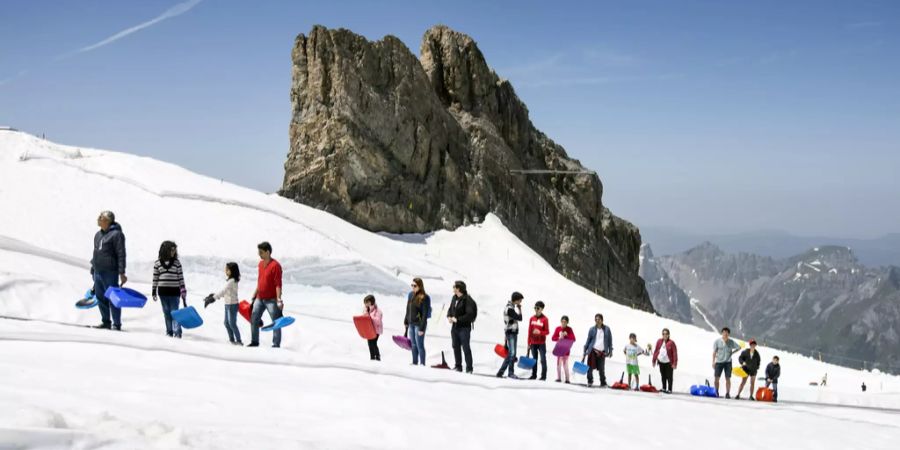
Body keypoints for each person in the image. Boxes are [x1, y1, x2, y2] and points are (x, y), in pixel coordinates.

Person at [90, 210, 127, 330]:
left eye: (101, 217)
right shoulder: (98, 234)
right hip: (98, 271)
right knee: (100, 297)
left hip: (110, 271)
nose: (98, 218)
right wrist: (93, 267)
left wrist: (122, 272)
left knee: (113, 297)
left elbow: (121, 253)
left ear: (107, 220)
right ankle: (106, 321)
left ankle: (117, 324)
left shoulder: (117, 234)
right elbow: (97, 251)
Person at [248, 242, 284, 348]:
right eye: (259, 252)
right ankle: (255, 342)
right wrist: (255, 294)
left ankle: (276, 344)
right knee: (254, 318)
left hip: (271, 300)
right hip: (260, 298)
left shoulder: (276, 266)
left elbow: (278, 284)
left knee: (276, 321)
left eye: (261, 252)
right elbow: (260, 281)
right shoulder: (260, 264)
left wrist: (278, 299)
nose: (259, 254)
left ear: (268, 252)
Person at [151, 241, 187, 338]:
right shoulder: (157, 263)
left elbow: (180, 277)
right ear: (165, 250)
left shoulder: (177, 263)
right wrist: (154, 290)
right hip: (163, 293)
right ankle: (169, 331)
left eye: (175, 250)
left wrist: (183, 289)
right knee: (166, 312)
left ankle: (177, 332)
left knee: (175, 312)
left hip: (174, 292)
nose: (173, 252)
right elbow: (155, 278)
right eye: (171, 250)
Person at [204, 262, 242, 345]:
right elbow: (225, 292)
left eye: (227, 270)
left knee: (232, 323)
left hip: (232, 305)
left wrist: (212, 298)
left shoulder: (231, 281)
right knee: (226, 323)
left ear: (232, 271)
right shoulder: (230, 280)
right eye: (226, 269)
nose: (225, 271)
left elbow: (223, 291)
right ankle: (232, 340)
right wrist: (213, 295)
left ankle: (239, 341)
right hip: (227, 304)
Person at [447, 280, 477, 373]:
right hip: (455, 327)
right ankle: (458, 366)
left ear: (458, 288)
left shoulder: (468, 300)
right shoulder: (454, 298)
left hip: (464, 328)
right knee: (455, 346)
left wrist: (458, 319)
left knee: (465, 347)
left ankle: (469, 368)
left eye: (454, 287)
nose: (453, 288)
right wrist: (449, 316)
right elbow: (450, 309)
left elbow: (470, 314)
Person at [497, 292, 524, 378]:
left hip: (511, 332)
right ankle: (510, 373)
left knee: (511, 354)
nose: (520, 302)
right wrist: (520, 310)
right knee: (512, 353)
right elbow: (520, 318)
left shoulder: (510, 307)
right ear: (516, 299)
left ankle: (501, 372)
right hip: (511, 332)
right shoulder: (510, 308)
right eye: (520, 300)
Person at [404, 278, 430, 365]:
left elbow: (425, 314)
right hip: (411, 323)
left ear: (420, 286)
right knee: (413, 344)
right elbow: (408, 309)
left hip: (419, 325)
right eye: (412, 285)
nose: (413, 287)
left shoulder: (424, 297)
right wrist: (406, 320)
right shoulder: (410, 295)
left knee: (420, 345)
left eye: (415, 286)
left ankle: (422, 363)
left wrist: (422, 329)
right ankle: (414, 362)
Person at [582, 313, 612, 387]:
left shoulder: (607, 329)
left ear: (602, 320)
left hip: (602, 352)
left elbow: (610, 341)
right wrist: (585, 350)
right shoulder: (592, 329)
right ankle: (590, 381)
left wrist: (610, 351)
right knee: (589, 367)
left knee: (601, 369)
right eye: (596, 319)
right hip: (592, 350)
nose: (597, 321)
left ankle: (603, 382)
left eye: (599, 319)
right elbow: (588, 340)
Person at [712, 327, 742, 398]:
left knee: (728, 378)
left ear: (728, 334)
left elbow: (739, 347)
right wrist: (713, 362)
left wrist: (732, 353)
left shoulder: (731, 342)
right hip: (719, 362)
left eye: (727, 333)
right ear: (722, 333)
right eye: (724, 332)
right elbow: (714, 352)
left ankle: (727, 393)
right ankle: (716, 391)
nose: (725, 334)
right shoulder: (717, 341)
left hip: (728, 362)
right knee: (716, 378)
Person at [527, 301, 550, 381]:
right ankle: (534, 375)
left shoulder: (545, 319)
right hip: (533, 343)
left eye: (538, 308)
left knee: (543, 360)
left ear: (542, 309)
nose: (536, 309)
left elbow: (547, 332)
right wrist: (528, 343)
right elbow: (529, 331)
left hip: (541, 343)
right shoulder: (531, 318)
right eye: (535, 308)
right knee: (534, 359)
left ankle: (543, 376)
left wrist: (540, 332)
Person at [652, 328, 678, 393]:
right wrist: (654, 360)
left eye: (666, 334)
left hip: (669, 362)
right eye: (663, 334)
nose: (665, 335)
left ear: (668, 335)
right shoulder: (659, 341)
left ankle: (669, 389)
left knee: (669, 376)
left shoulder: (671, 343)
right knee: (663, 375)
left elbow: (675, 353)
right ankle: (664, 388)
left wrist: (675, 363)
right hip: (661, 362)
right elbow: (656, 351)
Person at [551, 316, 575, 383]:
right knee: (558, 364)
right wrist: (558, 338)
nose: (563, 323)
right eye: (562, 321)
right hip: (559, 348)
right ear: (561, 321)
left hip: (566, 349)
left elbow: (573, 339)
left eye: (565, 322)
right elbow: (553, 338)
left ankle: (567, 379)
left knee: (565, 364)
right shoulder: (558, 328)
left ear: (567, 322)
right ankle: (558, 378)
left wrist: (567, 335)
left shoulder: (569, 329)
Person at [363, 295, 383, 361]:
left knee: (373, 343)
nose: (365, 304)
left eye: (366, 302)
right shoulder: (367, 309)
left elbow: (378, 321)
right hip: (370, 329)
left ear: (370, 302)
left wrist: (370, 317)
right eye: (365, 302)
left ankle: (377, 357)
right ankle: (372, 357)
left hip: (376, 330)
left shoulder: (377, 311)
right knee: (369, 343)